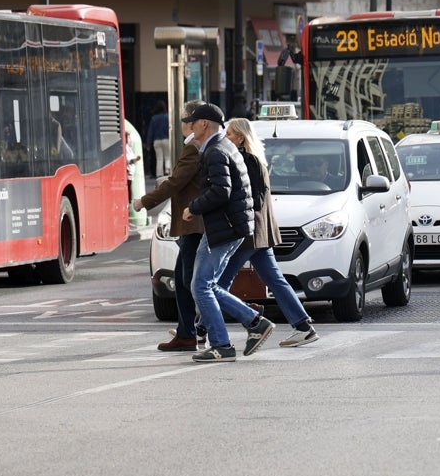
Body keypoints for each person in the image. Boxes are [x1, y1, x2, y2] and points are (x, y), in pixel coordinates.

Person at [181, 103, 274, 362]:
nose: (187, 125)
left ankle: (223, 344)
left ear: (203, 124)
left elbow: (221, 191)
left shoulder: (215, 150)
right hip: (231, 226)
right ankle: (254, 323)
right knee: (206, 285)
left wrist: (193, 207)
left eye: (191, 121)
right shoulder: (222, 146)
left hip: (224, 226)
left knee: (200, 285)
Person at [223, 117, 319, 347]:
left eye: (229, 134)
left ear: (240, 137)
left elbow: (253, 199)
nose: (226, 138)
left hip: (249, 233)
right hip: (258, 232)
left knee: (217, 283)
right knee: (275, 281)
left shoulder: (247, 160)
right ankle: (303, 326)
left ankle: (203, 328)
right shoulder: (254, 159)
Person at [134, 99, 206, 351]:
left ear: (198, 123)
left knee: (191, 282)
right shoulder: (193, 146)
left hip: (193, 223)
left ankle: (249, 318)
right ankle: (188, 331)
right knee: (187, 279)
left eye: (187, 119)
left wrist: (144, 201)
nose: (183, 124)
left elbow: (176, 182)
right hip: (192, 224)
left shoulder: (194, 148)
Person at [124, 119, 148, 227]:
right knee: (128, 196)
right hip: (127, 174)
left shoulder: (128, 147)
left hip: (130, 174)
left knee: (129, 196)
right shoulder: (125, 148)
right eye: (128, 138)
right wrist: (135, 160)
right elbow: (127, 160)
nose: (129, 139)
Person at [145, 101, 171, 179]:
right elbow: (169, 129)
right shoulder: (167, 117)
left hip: (156, 141)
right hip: (166, 139)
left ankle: (159, 174)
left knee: (159, 158)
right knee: (167, 157)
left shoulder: (154, 118)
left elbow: (150, 132)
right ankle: (167, 171)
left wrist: (148, 144)